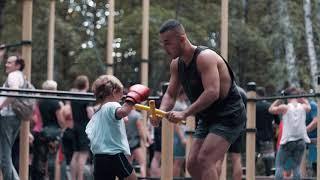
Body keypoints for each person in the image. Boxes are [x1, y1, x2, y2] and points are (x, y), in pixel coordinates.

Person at [152, 19, 246, 180]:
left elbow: (212, 92)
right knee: (192, 164)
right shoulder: (176, 64)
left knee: (205, 159)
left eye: (168, 43)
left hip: (230, 115)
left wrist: (184, 113)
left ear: (182, 39)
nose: (164, 48)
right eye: (163, 43)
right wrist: (160, 114)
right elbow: (170, 94)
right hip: (207, 117)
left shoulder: (205, 57)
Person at [85, 75, 150, 180]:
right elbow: (123, 111)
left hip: (98, 157)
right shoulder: (112, 105)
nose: (122, 97)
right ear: (114, 91)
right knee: (132, 178)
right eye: (121, 93)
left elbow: (120, 118)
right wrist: (132, 99)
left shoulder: (98, 112)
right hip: (113, 154)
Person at [269, 87, 311, 180]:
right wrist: (303, 98)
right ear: (297, 97)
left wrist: (280, 99)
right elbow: (309, 106)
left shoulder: (285, 107)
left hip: (288, 141)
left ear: (287, 97)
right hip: (301, 141)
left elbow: (271, 109)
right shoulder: (303, 107)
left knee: (280, 165)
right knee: (296, 167)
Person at [0, 54, 26, 180]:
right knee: (6, 154)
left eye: (10, 62)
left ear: (17, 65)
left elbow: (14, 92)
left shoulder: (13, 75)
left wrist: (1, 106)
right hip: (14, 117)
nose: (6, 64)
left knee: (4, 155)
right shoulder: (21, 77)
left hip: (7, 116)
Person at [216, 86, 247, 180]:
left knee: (218, 158)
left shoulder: (222, 89)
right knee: (237, 158)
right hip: (238, 126)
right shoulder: (243, 92)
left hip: (223, 126)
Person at [69, 75, 94, 180]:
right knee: (83, 155)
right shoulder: (86, 96)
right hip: (84, 128)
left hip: (75, 126)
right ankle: (80, 178)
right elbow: (89, 113)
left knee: (75, 154)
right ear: (86, 84)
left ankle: (73, 178)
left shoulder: (73, 96)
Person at [255, 87, 279, 176]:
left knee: (252, 158)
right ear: (264, 95)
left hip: (254, 136)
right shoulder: (270, 106)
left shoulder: (252, 106)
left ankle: (250, 176)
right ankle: (268, 176)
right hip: (268, 136)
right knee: (268, 162)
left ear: (256, 95)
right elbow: (278, 122)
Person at [125, 109, 152, 177]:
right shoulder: (136, 115)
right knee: (142, 163)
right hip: (135, 143)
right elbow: (141, 130)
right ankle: (143, 178)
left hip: (127, 143)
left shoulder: (124, 115)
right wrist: (145, 141)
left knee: (128, 165)